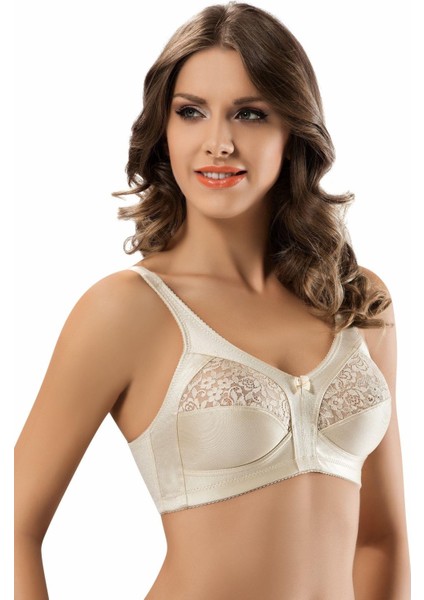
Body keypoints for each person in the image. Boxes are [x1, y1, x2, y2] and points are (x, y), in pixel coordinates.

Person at [14, 2, 410, 598]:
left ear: (293, 130)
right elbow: (14, 525)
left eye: (250, 113)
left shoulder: (357, 301)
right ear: (164, 130)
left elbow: (380, 538)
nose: (218, 142)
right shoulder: (127, 310)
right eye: (191, 112)